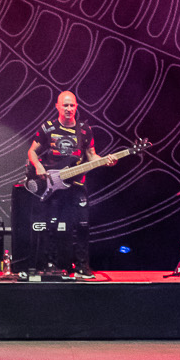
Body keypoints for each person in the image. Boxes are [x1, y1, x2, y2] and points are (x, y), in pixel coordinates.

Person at [26, 90, 115, 277]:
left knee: (82, 225)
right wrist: (39, 166)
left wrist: (105, 160)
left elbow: (91, 156)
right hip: (53, 186)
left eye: (72, 105)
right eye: (65, 105)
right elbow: (32, 151)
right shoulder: (48, 128)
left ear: (76, 107)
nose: (69, 109)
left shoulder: (84, 130)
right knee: (52, 226)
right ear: (57, 107)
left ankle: (82, 266)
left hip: (77, 185)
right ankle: (52, 264)